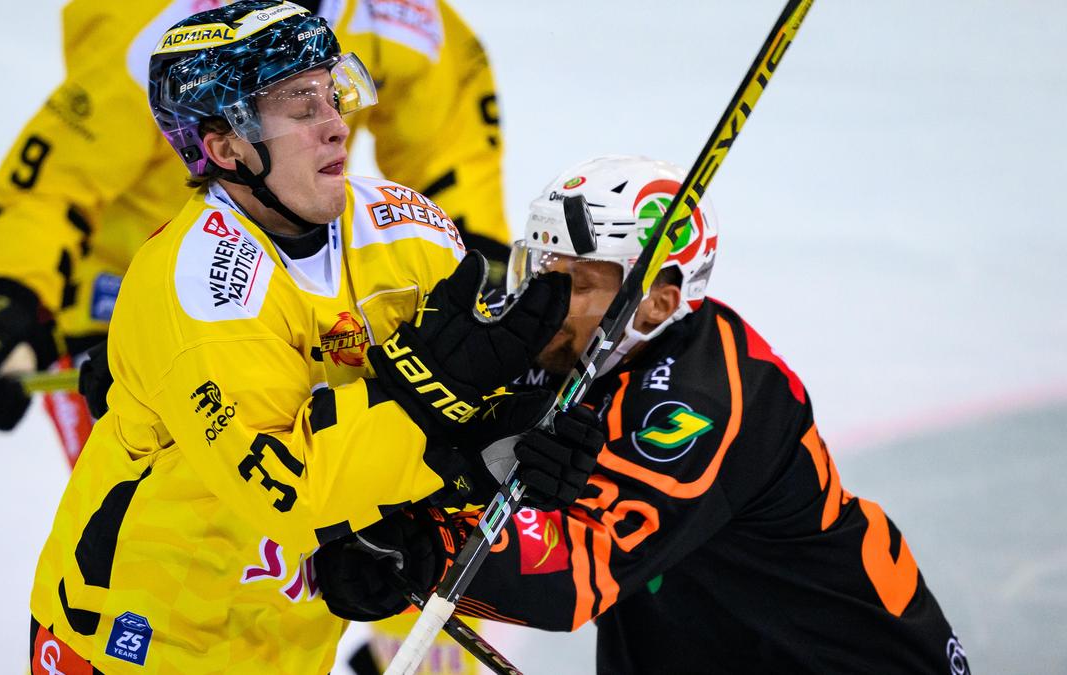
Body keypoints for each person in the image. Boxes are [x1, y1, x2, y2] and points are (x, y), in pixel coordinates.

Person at [26, 4, 604, 674]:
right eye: (301, 108)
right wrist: (427, 417)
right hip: (138, 644)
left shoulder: (409, 234)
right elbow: (291, 493)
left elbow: (466, 407)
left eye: (334, 92)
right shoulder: (195, 283)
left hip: (290, 646)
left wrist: (512, 435)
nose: (337, 126)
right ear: (225, 147)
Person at [315, 155, 972, 674]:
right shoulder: (577, 349)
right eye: (538, 264)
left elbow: (573, 574)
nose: (536, 296)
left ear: (655, 305)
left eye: (571, 279)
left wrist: (420, 548)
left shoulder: (699, 403)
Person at [0, 0, 513, 469]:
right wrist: (15, 306)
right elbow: (54, 182)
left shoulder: (398, 15)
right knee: (173, 526)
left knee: (357, 483)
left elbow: (450, 142)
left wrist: (474, 258)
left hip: (290, 297)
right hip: (126, 309)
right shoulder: (157, 28)